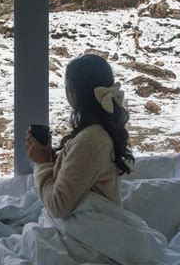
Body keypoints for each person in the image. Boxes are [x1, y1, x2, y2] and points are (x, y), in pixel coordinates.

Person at [25, 54, 134, 218]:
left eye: (67, 87)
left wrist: (42, 163)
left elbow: (57, 206)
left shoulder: (89, 142)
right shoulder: (100, 130)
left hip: (88, 232)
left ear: (74, 92)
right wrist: (59, 162)